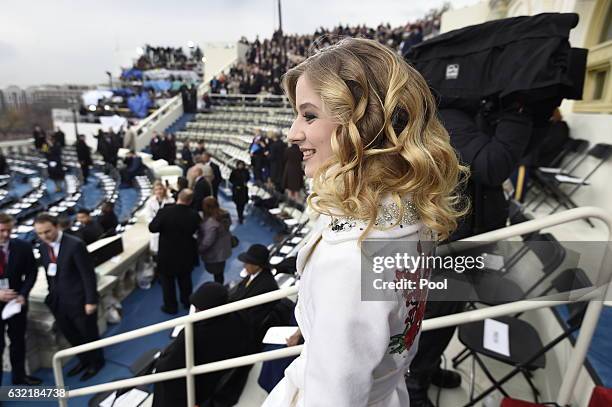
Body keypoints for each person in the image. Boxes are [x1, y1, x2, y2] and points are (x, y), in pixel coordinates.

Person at [262, 38, 463, 406]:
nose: (293, 132)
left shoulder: (348, 260)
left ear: (363, 124)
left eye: (309, 115)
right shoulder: (411, 213)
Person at [406, 94, 535, 407]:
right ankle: (414, 384)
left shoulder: (468, 114)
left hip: (465, 242)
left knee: (446, 318)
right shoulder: (451, 117)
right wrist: (518, 113)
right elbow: (493, 166)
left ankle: (427, 370)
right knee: (434, 318)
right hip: (450, 246)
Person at [152, 282, 249, 407]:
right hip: (220, 377)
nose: (196, 312)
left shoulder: (193, 333)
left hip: (199, 386)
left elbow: (168, 369)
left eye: (199, 308)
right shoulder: (239, 317)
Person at [34, 213, 105, 381]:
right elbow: (49, 274)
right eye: (40, 233)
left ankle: (96, 362)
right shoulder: (43, 247)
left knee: (89, 335)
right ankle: (84, 360)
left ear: (57, 226)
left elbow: (88, 275)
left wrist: (90, 301)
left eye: (48, 231)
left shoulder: (75, 245)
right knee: (71, 335)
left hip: (80, 302)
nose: (44, 236)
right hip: (59, 302)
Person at [0, 214, 41, 386]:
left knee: (18, 342)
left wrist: (23, 294)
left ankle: (19, 376)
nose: (6, 234)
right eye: (2, 230)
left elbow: (32, 272)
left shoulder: (23, 246)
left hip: (16, 304)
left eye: (9, 230)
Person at [148, 189, 201, 314]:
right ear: (190, 201)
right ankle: (187, 302)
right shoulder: (194, 215)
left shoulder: (164, 212)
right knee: (186, 280)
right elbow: (196, 230)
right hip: (186, 253)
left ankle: (170, 307)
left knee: (167, 283)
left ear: (178, 198)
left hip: (167, 255)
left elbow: (152, 228)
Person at [198, 197, 232, 284]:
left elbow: (207, 242)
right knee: (220, 274)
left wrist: (198, 250)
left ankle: (219, 291)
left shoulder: (212, 223)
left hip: (214, 254)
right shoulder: (224, 214)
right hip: (223, 251)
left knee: (217, 275)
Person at [145, 181, 175, 257]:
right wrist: (156, 224)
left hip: (168, 229)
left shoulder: (171, 201)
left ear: (164, 189)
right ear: (154, 191)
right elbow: (149, 216)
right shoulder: (150, 202)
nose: (159, 191)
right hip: (156, 229)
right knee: (156, 254)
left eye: (160, 189)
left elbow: (173, 216)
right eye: (157, 189)